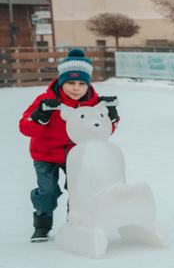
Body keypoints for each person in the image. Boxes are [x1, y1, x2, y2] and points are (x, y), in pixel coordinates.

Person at [19, 49, 119, 242]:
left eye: (82, 84)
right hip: (45, 154)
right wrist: (41, 115)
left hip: (77, 155)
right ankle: (42, 225)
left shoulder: (94, 105)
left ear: (88, 84)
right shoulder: (45, 101)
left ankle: (75, 225)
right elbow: (25, 128)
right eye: (70, 83)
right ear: (61, 82)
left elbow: (102, 133)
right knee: (47, 192)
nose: (76, 88)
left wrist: (111, 116)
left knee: (78, 192)